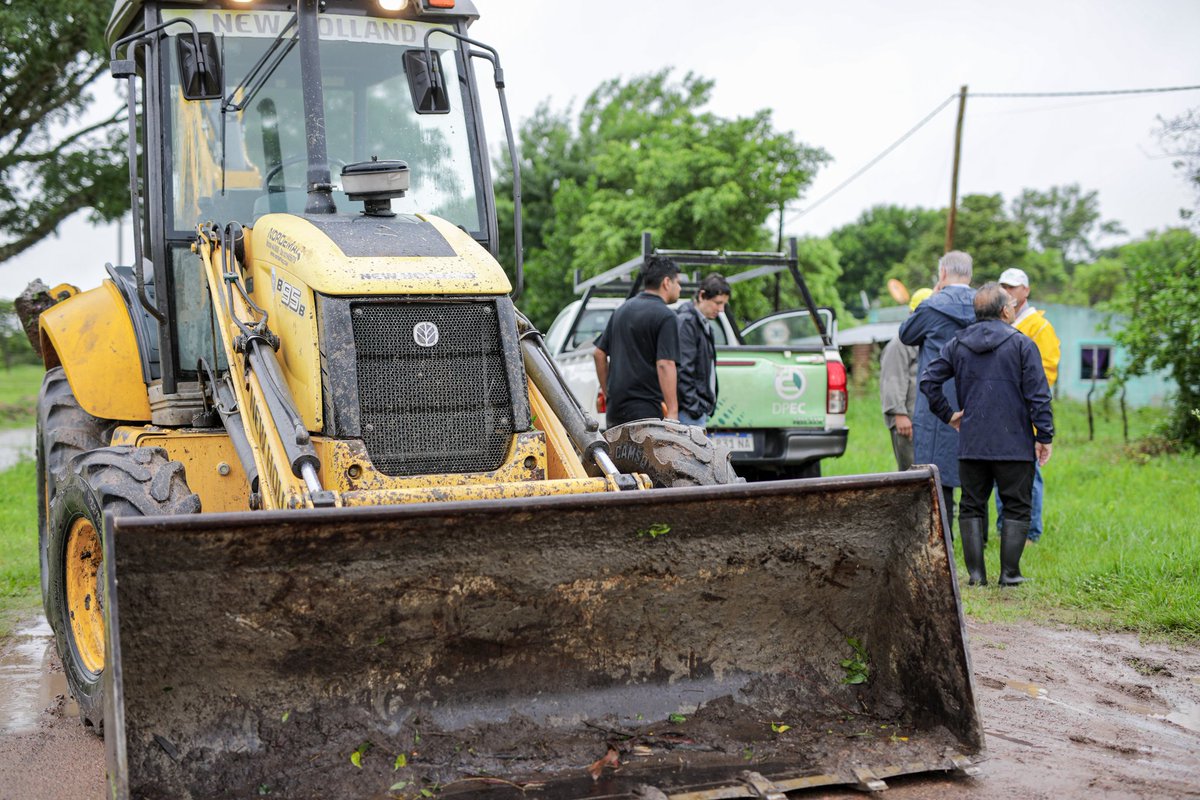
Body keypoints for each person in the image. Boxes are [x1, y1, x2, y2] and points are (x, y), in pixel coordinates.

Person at [920, 283, 1054, 587]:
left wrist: (948, 414)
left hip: (972, 443)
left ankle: (976, 576)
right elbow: (1039, 396)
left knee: (971, 504)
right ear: (1005, 310)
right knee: (1017, 505)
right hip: (1014, 444)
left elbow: (929, 380)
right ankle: (1010, 574)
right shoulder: (1022, 344)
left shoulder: (957, 343)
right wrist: (1044, 435)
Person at [898, 251, 977, 528]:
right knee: (975, 474)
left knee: (935, 473)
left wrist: (932, 297)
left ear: (942, 274)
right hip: (976, 400)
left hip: (937, 402)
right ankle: (978, 542)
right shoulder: (985, 304)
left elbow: (906, 334)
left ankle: (943, 541)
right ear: (970, 274)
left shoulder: (933, 306)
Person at [996, 267, 1061, 543]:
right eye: (1004, 286)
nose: (1008, 292)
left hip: (1026, 411)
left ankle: (1030, 532)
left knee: (1027, 472)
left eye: (1013, 287)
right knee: (1001, 470)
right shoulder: (1001, 322)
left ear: (1026, 290)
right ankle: (1004, 529)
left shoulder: (1039, 327)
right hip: (1001, 411)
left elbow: (1046, 373)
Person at [593, 256, 682, 427]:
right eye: (677, 282)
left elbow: (599, 353)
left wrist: (608, 393)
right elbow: (665, 364)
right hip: (646, 411)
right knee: (646, 454)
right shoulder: (666, 316)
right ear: (666, 282)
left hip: (616, 410)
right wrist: (672, 412)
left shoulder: (622, 310)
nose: (679, 288)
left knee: (619, 454)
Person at [880, 288, 932, 471]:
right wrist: (899, 414)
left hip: (926, 421)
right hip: (907, 421)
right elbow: (892, 379)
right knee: (912, 474)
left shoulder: (929, 341)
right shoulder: (900, 343)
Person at [675, 273, 732, 427]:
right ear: (702, 296)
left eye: (724, 304)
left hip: (695, 410)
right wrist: (694, 407)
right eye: (717, 303)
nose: (721, 310)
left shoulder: (702, 323)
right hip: (689, 412)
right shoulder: (687, 322)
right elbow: (683, 369)